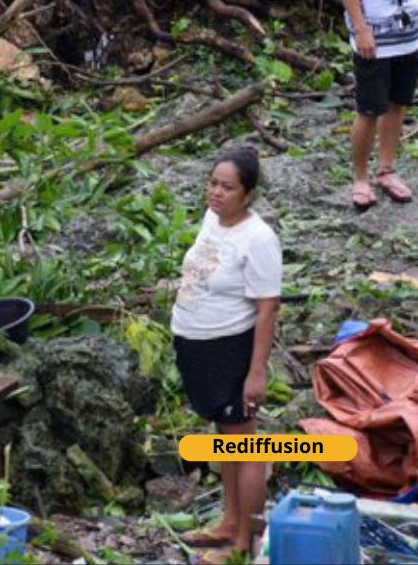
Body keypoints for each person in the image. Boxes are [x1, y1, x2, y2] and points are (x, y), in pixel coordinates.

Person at [171, 148, 281, 561]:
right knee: (226, 440)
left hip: (229, 347)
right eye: (213, 183)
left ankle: (244, 543)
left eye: (228, 187)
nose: (216, 193)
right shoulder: (212, 220)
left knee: (245, 443)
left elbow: (268, 308)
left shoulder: (258, 239)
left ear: (248, 194)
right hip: (197, 342)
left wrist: (256, 373)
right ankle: (229, 521)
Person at [332, 0, 418, 210]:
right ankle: (360, 177)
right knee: (369, 109)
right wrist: (360, 28)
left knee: (397, 103)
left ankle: (386, 169)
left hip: (408, 34)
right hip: (373, 36)